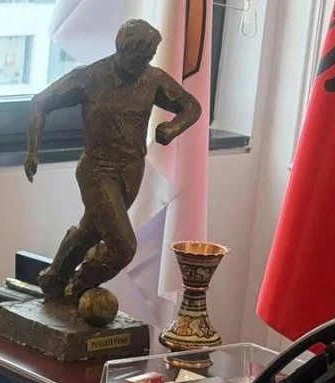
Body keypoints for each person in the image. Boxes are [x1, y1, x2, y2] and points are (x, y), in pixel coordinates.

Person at [23, 19, 202, 303]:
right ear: (121, 49)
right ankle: (77, 288)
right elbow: (40, 103)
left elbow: (192, 107)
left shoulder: (153, 80)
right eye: (137, 58)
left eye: (148, 58)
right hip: (97, 170)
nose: (142, 65)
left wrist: (173, 128)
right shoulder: (89, 77)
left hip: (132, 171)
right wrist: (33, 151)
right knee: (123, 246)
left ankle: (54, 278)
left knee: (90, 231)